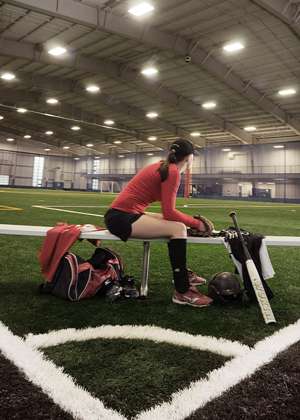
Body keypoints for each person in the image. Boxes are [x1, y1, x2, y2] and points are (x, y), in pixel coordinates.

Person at [104, 138, 213, 307]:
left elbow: (167, 214)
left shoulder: (164, 166)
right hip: (121, 218)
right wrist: (197, 224)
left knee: (174, 224)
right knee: (178, 228)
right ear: (189, 157)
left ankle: (182, 274)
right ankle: (182, 292)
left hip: (122, 214)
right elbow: (169, 212)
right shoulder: (173, 172)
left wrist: (191, 222)